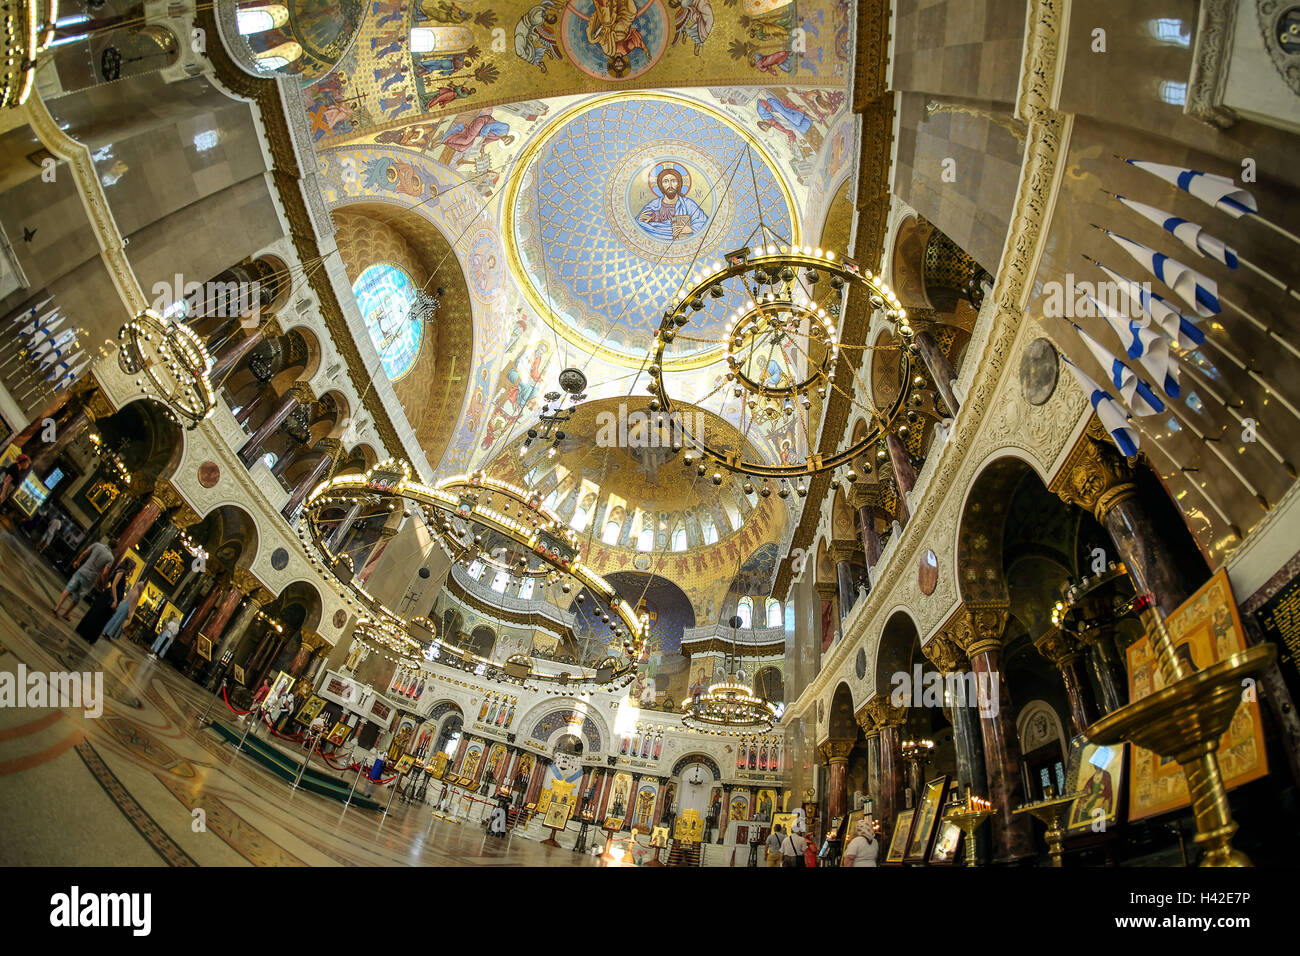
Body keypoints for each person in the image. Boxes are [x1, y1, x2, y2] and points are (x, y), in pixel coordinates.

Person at [53, 537, 116, 620]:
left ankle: (57, 607)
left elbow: (84, 553)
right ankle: (66, 613)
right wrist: (103, 585)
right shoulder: (111, 558)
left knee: (68, 588)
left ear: (108, 542)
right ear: (114, 548)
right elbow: (104, 573)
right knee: (78, 596)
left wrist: (77, 561)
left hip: (82, 570)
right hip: (90, 578)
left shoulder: (97, 545)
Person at [75, 555, 131, 644]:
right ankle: (87, 634)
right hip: (108, 598)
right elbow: (114, 586)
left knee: (99, 617)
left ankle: (87, 634)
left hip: (108, 597)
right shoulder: (121, 572)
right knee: (98, 616)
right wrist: (115, 600)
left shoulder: (120, 572)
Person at [100, 577, 144, 642]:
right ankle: (109, 634)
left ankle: (106, 630)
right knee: (118, 621)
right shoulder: (136, 594)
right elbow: (132, 604)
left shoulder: (132, 591)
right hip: (126, 608)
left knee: (115, 618)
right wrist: (129, 613)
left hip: (123, 606)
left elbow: (126, 598)